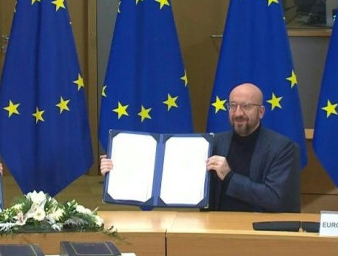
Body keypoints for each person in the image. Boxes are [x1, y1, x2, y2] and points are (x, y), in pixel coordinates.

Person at [100, 83, 300, 213]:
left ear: (261, 111)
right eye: (232, 106)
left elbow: (276, 199)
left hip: (257, 233)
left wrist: (230, 176)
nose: (238, 113)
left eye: (246, 106)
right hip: (213, 231)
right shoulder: (212, 143)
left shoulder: (282, 148)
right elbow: (170, 179)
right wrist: (118, 172)